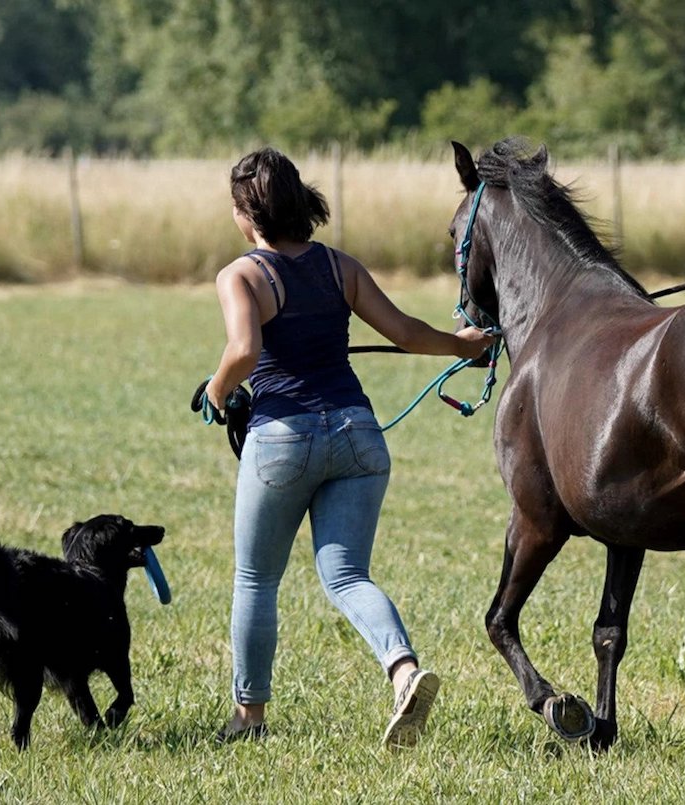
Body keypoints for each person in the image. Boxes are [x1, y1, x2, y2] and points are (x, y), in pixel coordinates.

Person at [205, 147, 494, 747]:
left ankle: (248, 718)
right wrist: (464, 346)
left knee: (256, 579)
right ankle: (404, 670)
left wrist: (215, 392)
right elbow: (409, 333)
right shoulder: (341, 267)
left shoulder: (241, 275)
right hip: (358, 436)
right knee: (346, 576)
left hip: (283, 439)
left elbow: (243, 354)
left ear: (247, 212)